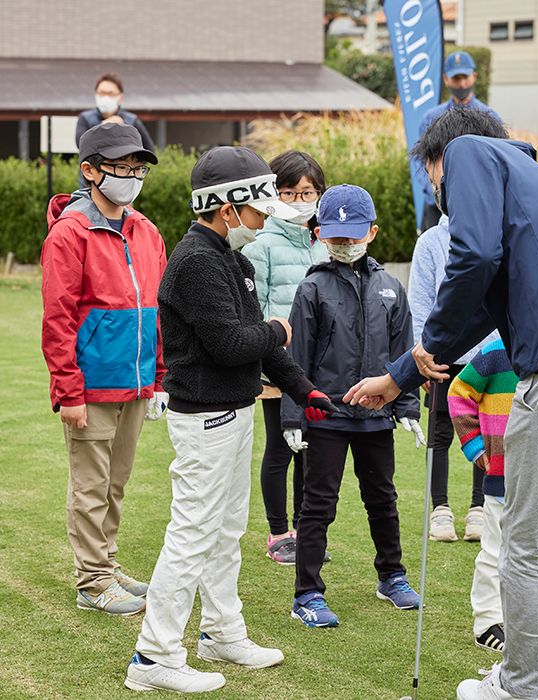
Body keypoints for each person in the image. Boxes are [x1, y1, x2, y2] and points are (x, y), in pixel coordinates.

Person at [344, 108, 538, 700]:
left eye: (434, 185)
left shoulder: (470, 154)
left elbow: (473, 258)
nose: (442, 198)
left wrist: (421, 352)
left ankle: (517, 686)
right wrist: (403, 374)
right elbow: (487, 301)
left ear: (440, 159)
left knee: (523, 535)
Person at [126, 147, 336, 694]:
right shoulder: (196, 262)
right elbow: (230, 344)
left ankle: (221, 631)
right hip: (204, 418)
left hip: (234, 412)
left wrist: (305, 390)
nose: (265, 219)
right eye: (260, 209)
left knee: (224, 532)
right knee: (192, 533)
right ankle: (153, 657)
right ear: (228, 207)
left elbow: (259, 352)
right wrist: (279, 329)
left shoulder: (232, 260)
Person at [285, 184, 424, 629]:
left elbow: (406, 355)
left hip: (377, 417)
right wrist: (294, 416)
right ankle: (307, 592)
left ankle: (392, 575)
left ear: (373, 233)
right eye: (336, 236)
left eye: (353, 235)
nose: (345, 243)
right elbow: (296, 359)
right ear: (321, 234)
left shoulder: (390, 288)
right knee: (318, 504)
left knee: (382, 498)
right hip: (325, 417)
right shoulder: (312, 288)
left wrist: (408, 409)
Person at [41, 121, 163, 617]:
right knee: (91, 488)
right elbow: (58, 318)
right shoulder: (70, 233)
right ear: (90, 171)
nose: (131, 176)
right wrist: (68, 391)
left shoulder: (145, 229)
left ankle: (107, 566)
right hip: (90, 387)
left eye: (138, 168)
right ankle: (92, 581)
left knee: (115, 484)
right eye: (120, 167)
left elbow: (156, 310)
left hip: (134, 384)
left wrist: (157, 378)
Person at [448, 338, 538, 653]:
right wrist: (475, 447)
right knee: (496, 551)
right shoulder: (493, 353)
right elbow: (459, 393)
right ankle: (488, 622)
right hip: (502, 475)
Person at [242, 151, 329, 566]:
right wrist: (265, 360)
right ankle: (279, 533)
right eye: (289, 192)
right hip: (276, 368)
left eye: (307, 192)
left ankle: (304, 530)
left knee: (310, 453)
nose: (299, 200)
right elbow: (253, 307)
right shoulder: (262, 244)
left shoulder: (322, 244)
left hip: (313, 369)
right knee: (280, 450)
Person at [409, 212, 500, 542]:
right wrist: (420, 349)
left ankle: (480, 507)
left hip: (490, 355)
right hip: (442, 355)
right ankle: (441, 509)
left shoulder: (494, 232)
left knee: (489, 429)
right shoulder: (432, 241)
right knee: (440, 433)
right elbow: (420, 300)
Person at [417, 51, 500, 232]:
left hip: (477, 205)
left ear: (474, 76)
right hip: (436, 206)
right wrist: (436, 195)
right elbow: (420, 161)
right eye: (456, 79)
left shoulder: (489, 117)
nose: (462, 84)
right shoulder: (431, 118)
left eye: (466, 78)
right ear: (446, 79)